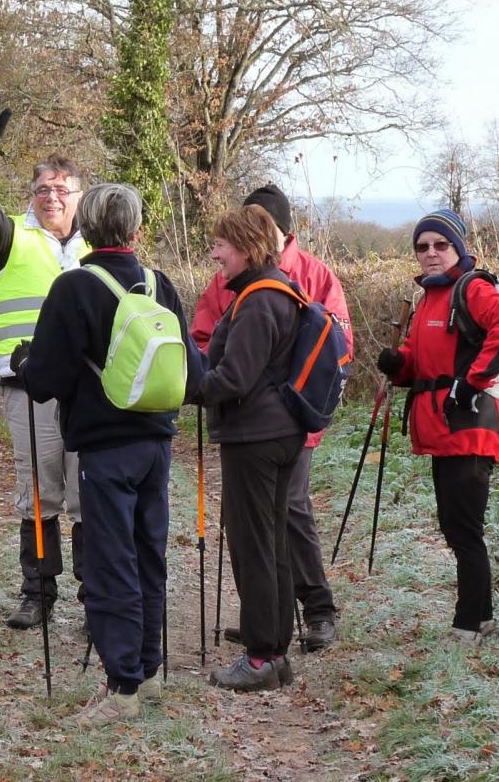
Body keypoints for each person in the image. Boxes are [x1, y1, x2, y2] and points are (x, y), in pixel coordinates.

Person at [14, 183, 203, 727]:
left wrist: (26, 364)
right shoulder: (159, 284)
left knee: (109, 562)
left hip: (102, 448)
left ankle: (122, 686)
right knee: (149, 556)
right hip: (156, 443)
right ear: (136, 231)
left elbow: (46, 379)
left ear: (86, 229)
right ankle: (148, 673)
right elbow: (193, 372)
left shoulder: (75, 287)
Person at [190, 184, 352, 652]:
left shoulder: (290, 284)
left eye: (224, 244)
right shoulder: (249, 286)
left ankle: (303, 621)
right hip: (280, 422)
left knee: (271, 529)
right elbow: (208, 334)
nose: (216, 254)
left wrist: (193, 387)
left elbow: (241, 373)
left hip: (269, 427)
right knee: (263, 529)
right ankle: (268, 623)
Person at [0, 88, 87, 629]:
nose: (50, 196)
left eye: (61, 189)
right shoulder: (11, 237)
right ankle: (37, 593)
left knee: (87, 495)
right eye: (42, 188)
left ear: (81, 197)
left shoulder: (97, 245)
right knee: (38, 489)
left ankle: (94, 595)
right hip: (28, 388)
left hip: (89, 390)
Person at [376, 209, 499, 645]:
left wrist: (473, 379)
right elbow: (419, 362)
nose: (431, 253)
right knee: (458, 526)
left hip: (471, 425)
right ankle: (483, 619)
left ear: (457, 248)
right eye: (422, 247)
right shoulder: (429, 299)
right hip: (443, 429)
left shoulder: (472, 288)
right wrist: (398, 364)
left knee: (463, 529)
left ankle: (465, 627)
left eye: (440, 245)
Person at [198, 204, 305, 692]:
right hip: (280, 433)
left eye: (222, 244)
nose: (217, 252)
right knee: (273, 541)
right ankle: (275, 651)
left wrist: (181, 387)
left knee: (252, 544)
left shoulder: (259, 301)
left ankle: (261, 656)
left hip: (255, 438)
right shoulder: (280, 291)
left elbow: (233, 378)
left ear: (245, 246)